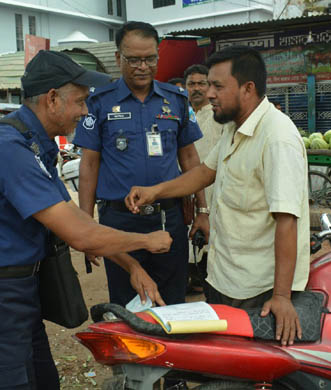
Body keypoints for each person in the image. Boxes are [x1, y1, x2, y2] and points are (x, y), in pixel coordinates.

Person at [0, 50, 172, 390]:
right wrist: (146, 241)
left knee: (43, 380)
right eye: (80, 101)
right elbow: (81, 235)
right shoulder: (9, 150)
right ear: (52, 99)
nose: (85, 110)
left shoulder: (34, 144)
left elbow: (75, 219)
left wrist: (132, 266)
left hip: (13, 291)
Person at [126, 45, 310, 346]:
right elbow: (204, 173)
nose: (209, 93)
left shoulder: (277, 139)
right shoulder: (234, 127)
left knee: (253, 369)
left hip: (258, 290)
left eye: (217, 86)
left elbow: (286, 221)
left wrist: (281, 296)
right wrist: (154, 192)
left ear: (248, 88)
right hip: (224, 276)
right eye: (208, 84)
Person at [73, 21, 209, 308]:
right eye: (134, 59)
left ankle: (170, 355)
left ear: (157, 57)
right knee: (127, 308)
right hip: (119, 221)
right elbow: (89, 167)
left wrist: (202, 210)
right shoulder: (99, 103)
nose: (142, 66)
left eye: (150, 59)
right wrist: (86, 226)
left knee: (172, 303)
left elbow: (190, 159)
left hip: (168, 218)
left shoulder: (176, 100)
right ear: (118, 58)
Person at [183, 64, 224, 293]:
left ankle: (206, 282)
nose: (196, 88)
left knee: (214, 238)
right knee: (191, 236)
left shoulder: (219, 117)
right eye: (192, 84)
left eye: (201, 83)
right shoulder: (184, 115)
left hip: (214, 188)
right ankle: (193, 279)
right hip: (189, 188)